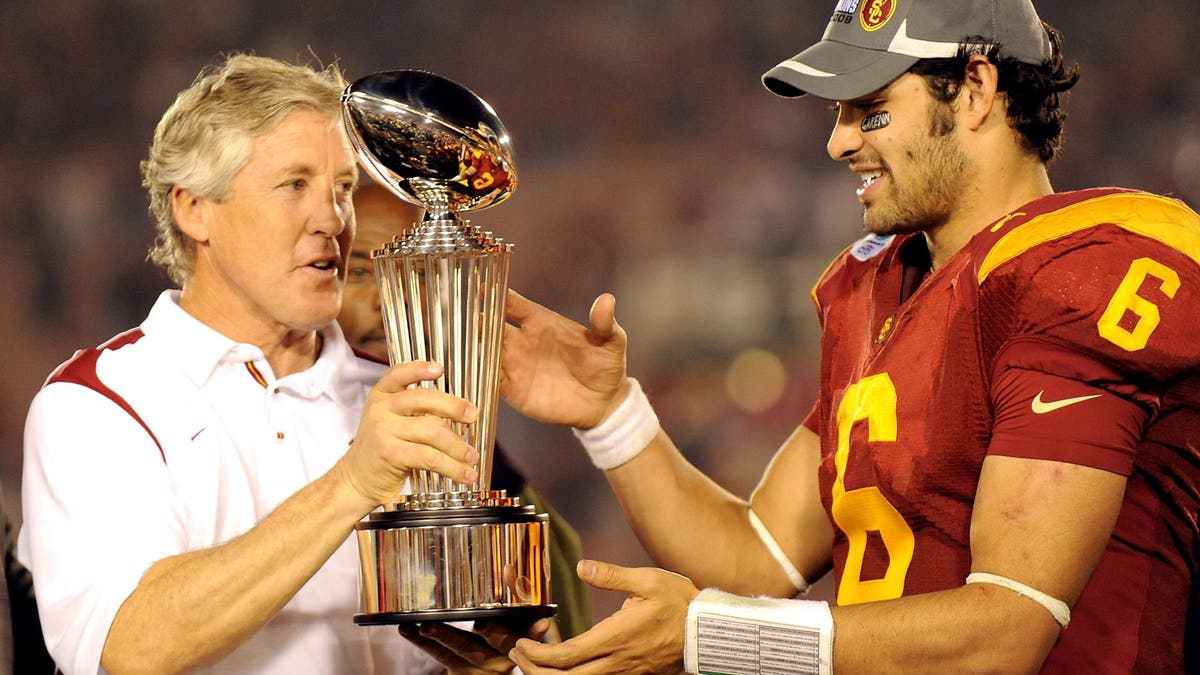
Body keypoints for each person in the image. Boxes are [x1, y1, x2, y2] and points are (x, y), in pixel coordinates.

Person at [499, 1, 1200, 673]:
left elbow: (1008, 629)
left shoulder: (1081, 276)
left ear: (977, 90)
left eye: (870, 109)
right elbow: (756, 555)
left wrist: (712, 636)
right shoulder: (875, 286)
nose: (838, 140)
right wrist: (612, 415)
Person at [17, 53, 499, 674]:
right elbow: (129, 645)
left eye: (343, 188)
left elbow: (440, 650)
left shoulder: (400, 401)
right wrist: (350, 485)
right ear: (195, 209)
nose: (332, 219)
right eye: (294, 185)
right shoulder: (97, 404)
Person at [336, 181, 592, 643]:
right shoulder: (277, 445)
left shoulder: (504, 492)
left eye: (420, 275)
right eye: (358, 274)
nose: (388, 299)